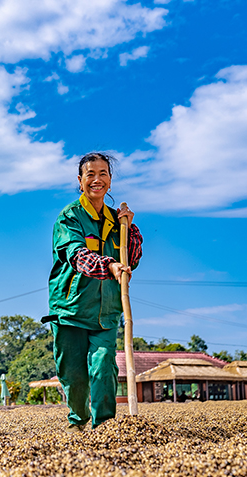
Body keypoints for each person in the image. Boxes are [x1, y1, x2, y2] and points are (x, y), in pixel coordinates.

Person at [42, 153, 142, 432]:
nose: (97, 179)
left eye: (103, 174)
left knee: (103, 366)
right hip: (71, 308)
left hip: (106, 310)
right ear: (80, 180)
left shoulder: (116, 221)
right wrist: (108, 264)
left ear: (110, 180)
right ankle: (78, 420)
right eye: (90, 174)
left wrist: (129, 229)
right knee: (73, 375)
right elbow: (76, 255)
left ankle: (105, 427)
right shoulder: (69, 218)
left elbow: (131, 258)